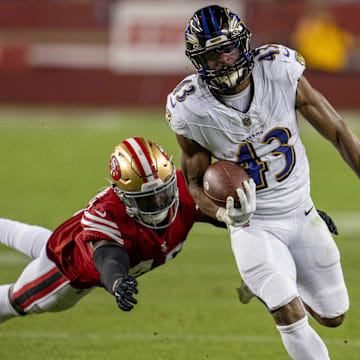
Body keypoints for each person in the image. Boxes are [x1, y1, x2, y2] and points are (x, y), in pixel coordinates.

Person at [165, 5, 360, 360]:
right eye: (212, 54)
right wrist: (227, 218)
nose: (224, 60)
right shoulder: (190, 108)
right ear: (198, 60)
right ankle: (273, 285)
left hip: (300, 210)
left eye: (230, 48)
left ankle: (278, 280)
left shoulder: (279, 70)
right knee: (288, 312)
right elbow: (194, 184)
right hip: (252, 225)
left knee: (334, 315)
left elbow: (338, 131)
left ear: (245, 45)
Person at [0, 137, 225, 323]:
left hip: (68, 238)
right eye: (147, 200)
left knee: (44, 244)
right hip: (67, 270)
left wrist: (239, 219)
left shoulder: (184, 186)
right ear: (123, 197)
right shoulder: (108, 215)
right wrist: (117, 281)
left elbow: (219, 214)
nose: (159, 203)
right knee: (17, 301)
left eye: (163, 193)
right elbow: (108, 257)